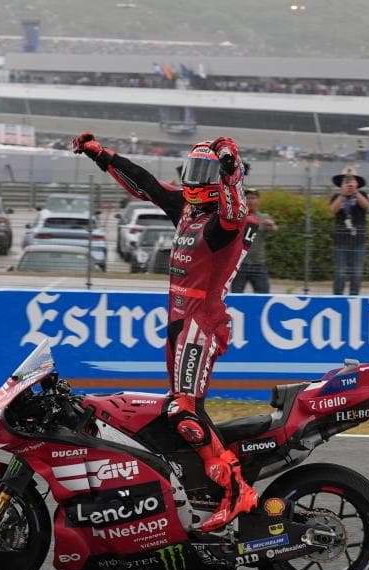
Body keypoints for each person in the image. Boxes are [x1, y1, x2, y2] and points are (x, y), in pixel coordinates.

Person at [72, 130, 257, 533]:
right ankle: (205, 489)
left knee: (182, 410)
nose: (193, 179)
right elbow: (148, 184)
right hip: (177, 319)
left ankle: (236, 490)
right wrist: (102, 155)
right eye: (193, 169)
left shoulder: (225, 222)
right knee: (184, 408)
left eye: (203, 172)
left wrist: (229, 170)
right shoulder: (188, 211)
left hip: (201, 320)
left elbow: (235, 210)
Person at [329, 166, 369, 295]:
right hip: (341, 241)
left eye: (351, 181)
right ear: (341, 184)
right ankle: (337, 298)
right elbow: (332, 210)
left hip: (358, 241)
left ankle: (354, 299)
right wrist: (343, 195)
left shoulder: (362, 195)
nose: (349, 184)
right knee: (340, 273)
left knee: (357, 274)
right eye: (346, 181)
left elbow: (366, 206)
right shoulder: (336, 196)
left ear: (357, 183)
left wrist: (356, 192)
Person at [231, 188, 277, 294]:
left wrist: (272, 226)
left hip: (258, 265)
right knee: (236, 296)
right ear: (243, 200)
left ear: (258, 200)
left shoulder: (264, 217)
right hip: (239, 265)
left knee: (263, 297)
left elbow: (274, 231)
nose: (250, 201)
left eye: (253, 198)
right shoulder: (238, 217)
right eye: (247, 198)